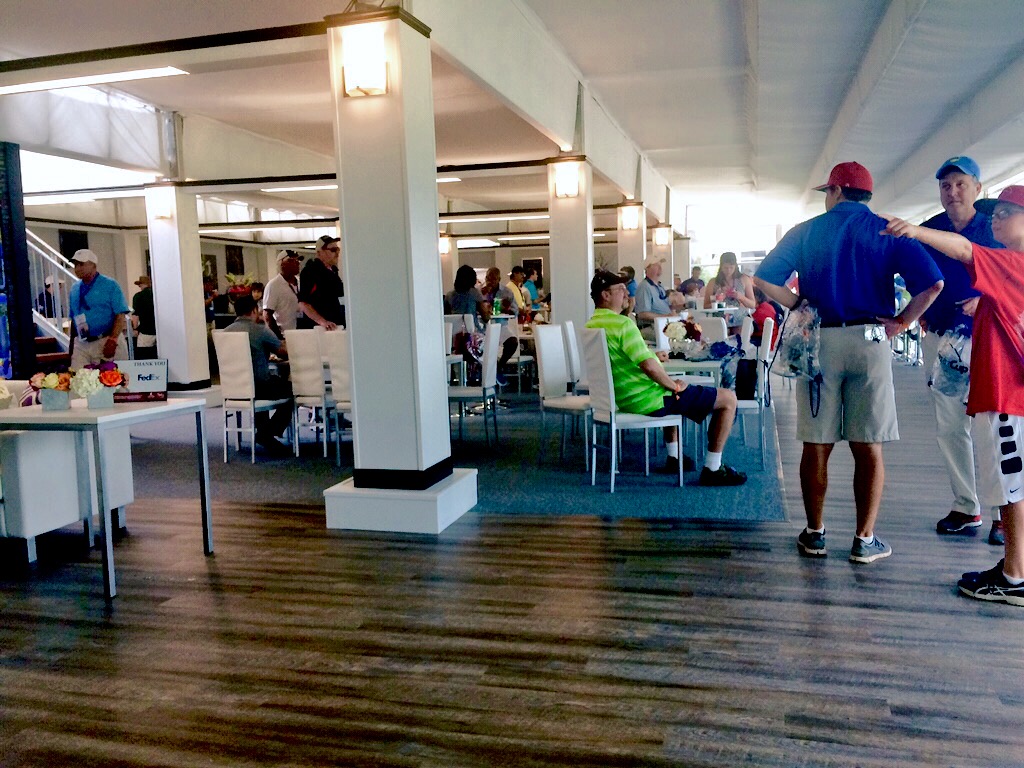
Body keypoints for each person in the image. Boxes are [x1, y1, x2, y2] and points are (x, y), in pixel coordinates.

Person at [754, 161, 944, 564]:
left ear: (835, 191)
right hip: (871, 339)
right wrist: (902, 322)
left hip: (820, 341)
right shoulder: (887, 229)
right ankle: (864, 539)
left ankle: (815, 534)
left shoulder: (806, 230)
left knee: (816, 442)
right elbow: (933, 284)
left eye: (827, 191)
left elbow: (764, 279)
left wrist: (800, 304)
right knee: (869, 442)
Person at [882, 185, 1024, 606]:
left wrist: (914, 231)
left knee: (1011, 487)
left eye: (1007, 211)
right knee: (1011, 485)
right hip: (1006, 391)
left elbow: (964, 250)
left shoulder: (1013, 262)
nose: (996, 218)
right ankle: (1013, 566)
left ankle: (1015, 576)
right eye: (995, 212)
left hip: (1007, 395)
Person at [586, 270, 747, 486]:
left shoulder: (592, 324)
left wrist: (655, 359)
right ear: (605, 295)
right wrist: (674, 386)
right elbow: (649, 367)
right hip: (645, 400)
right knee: (727, 399)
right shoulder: (623, 325)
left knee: (668, 387)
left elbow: (629, 359)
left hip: (621, 399)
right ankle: (713, 467)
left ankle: (674, 457)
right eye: (620, 289)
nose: (627, 293)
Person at [919, 156, 1004, 545]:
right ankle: (966, 506)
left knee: (991, 428)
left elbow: (1013, 279)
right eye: (945, 186)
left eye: (960, 184)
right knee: (951, 427)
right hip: (942, 342)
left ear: (977, 188)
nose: (952, 192)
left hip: (988, 340)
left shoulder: (995, 229)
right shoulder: (929, 231)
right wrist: (918, 312)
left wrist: (986, 299)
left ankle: (1004, 513)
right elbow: (918, 278)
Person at [224, 294, 293, 456]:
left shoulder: (225, 332)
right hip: (259, 387)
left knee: (265, 384)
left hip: (233, 388)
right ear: (254, 310)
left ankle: (265, 434)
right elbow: (283, 353)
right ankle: (266, 433)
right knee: (293, 391)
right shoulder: (259, 330)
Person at [68, 249, 130, 369]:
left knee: (113, 378)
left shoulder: (110, 285)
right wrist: (71, 347)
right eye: (75, 265)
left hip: (106, 339)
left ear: (93, 265)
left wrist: (113, 340)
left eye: (81, 264)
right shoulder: (74, 289)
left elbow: (120, 315)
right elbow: (74, 318)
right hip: (82, 343)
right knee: (78, 377)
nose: (78, 268)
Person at [298, 234, 345, 330]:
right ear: (320, 253)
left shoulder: (333, 271)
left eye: (338, 249)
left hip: (335, 326)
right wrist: (322, 321)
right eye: (333, 250)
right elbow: (304, 303)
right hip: (319, 329)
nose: (337, 253)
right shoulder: (311, 271)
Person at [704, 252, 756, 335]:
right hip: (720, 321)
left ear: (735, 266)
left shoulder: (744, 279)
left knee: (740, 337)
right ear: (721, 267)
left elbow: (752, 304)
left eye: (731, 267)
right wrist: (717, 300)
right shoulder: (713, 282)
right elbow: (706, 306)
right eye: (725, 268)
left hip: (740, 320)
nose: (728, 271)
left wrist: (741, 297)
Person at [263, 250, 303, 340]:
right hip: (285, 335)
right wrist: (279, 338)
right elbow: (267, 315)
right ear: (281, 264)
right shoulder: (273, 285)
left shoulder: (301, 283)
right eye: (292, 260)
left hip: (303, 334)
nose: (297, 263)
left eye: (298, 260)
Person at [634, 260, 676, 335]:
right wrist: (665, 317)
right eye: (656, 265)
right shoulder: (644, 287)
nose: (660, 267)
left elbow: (668, 307)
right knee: (676, 335)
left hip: (664, 325)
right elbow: (643, 314)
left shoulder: (660, 287)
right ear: (647, 268)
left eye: (660, 265)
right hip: (651, 327)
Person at [131, 274, 157, 360]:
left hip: (146, 330)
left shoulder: (138, 296)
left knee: (144, 356)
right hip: (159, 331)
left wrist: (135, 328)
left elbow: (135, 315)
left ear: (141, 284)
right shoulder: (157, 294)